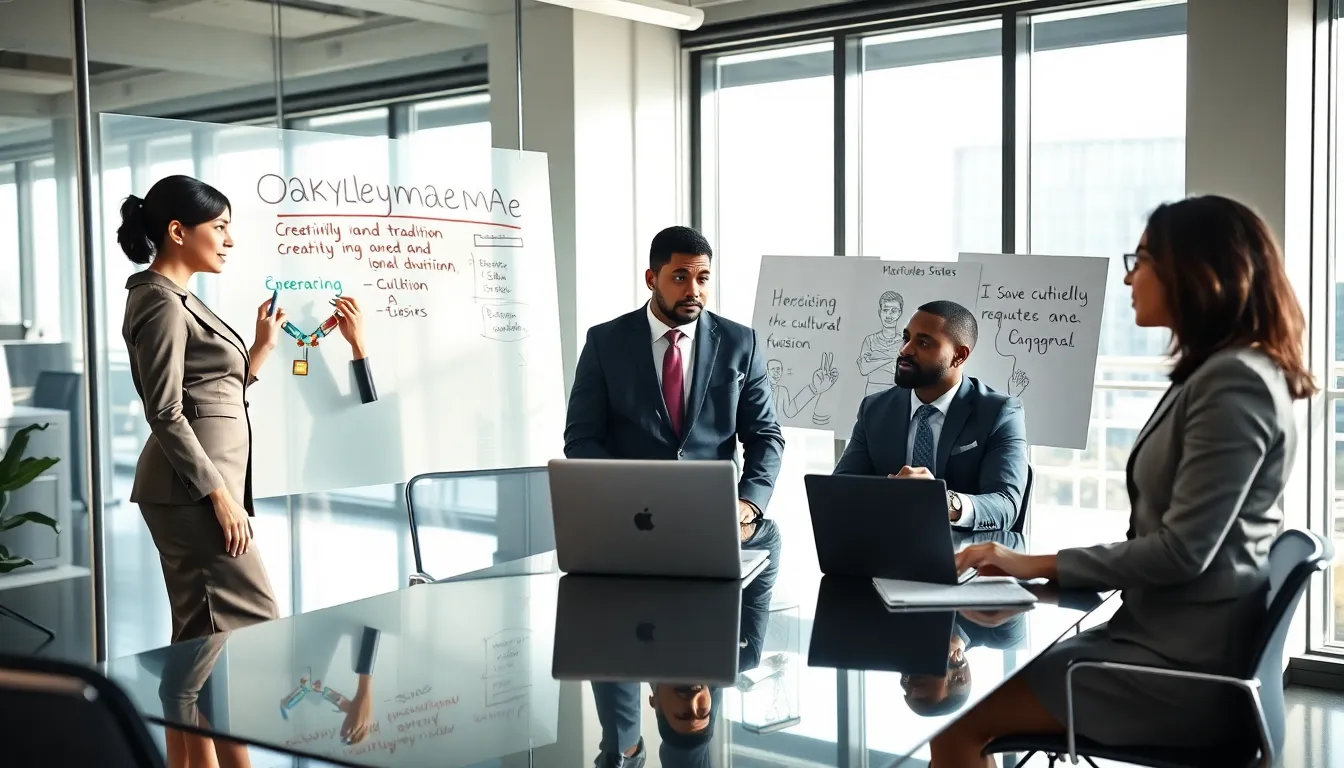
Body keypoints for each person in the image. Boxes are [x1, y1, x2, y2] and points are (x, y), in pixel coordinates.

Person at [940, 195, 1315, 766]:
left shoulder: (1233, 382)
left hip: (1180, 669)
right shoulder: (1223, 372)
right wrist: (1032, 579)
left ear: (1199, 272)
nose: (1127, 276)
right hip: (1168, 640)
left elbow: (1182, 551)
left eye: (1141, 260)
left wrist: (1030, 563)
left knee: (955, 730)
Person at [119, 174, 368, 765]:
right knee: (249, 620)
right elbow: (165, 410)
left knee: (203, 638)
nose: (230, 239)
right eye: (220, 227)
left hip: (199, 490)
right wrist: (220, 497)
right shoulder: (157, 299)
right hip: (193, 493)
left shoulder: (180, 297)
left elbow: (211, 392)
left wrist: (256, 352)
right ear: (178, 232)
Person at [563, 225, 785, 538]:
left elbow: (765, 435)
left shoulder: (741, 343)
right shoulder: (605, 342)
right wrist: (622, 494)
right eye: (680, 277)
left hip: (715, 520)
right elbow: (581, 438)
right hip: (631, 521)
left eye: (703, 278)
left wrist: (748, 501)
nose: (693, 290)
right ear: (651, 279)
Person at [590, 518, 783, 767]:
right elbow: (771, 539)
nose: (693, 700)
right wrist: (738, 532)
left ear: (654, 702)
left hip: (625, 515)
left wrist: (626, 746)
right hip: (696, 513)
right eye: (702, 711)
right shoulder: (742, 652)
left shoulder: (626, 657)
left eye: (682, 713)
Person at [833, 300, 1028, 532]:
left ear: (959, 356)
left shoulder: (999, 413)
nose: (904, 350)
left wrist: (943, 501)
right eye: (906, 338)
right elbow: (840, 489)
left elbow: (1006, 504)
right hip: (885, 548)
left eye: (923, 343)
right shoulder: (875, 409)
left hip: (965, 555)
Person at [856, 290, 905, 396]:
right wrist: (891, 359)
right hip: (872, 392)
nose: (889, 315)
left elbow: (903, 372)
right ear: (880, 312)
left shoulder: (905, 342)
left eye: (893, 311)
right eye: (885, 310)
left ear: (899, 313)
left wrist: (877, 356)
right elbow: (864, 369)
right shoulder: (870, 340)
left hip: (897, 392)